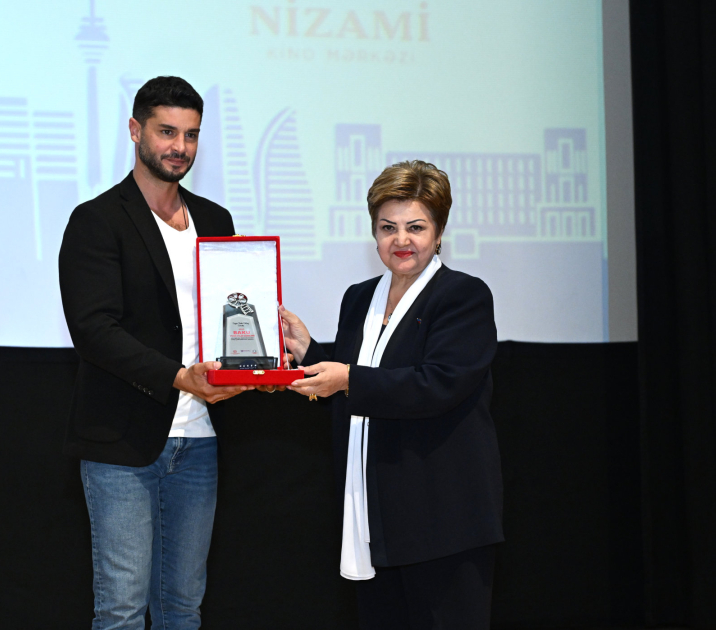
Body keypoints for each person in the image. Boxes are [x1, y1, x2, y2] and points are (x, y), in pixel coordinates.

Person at [59, 76, 252, 630]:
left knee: (182, 609)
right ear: (135, 130)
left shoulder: (216, 220)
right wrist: (179, 377)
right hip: (122, 442)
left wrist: (261, 340)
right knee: (121, 611)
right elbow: (94, 331)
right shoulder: (97, 220)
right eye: (167, 132)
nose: (180, 147)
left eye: (191, 135)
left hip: (201, 441)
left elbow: (229, 315)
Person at [279, 160, 503, 629]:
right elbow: (358, 380)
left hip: (443, 519)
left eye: (415, 227)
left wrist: (347, 378)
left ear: (438, 233)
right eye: (388, 227)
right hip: (374, 518)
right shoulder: (359, 297)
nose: (401, 240)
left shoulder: (463, 296)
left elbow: (437, 384)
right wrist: (307, 351)